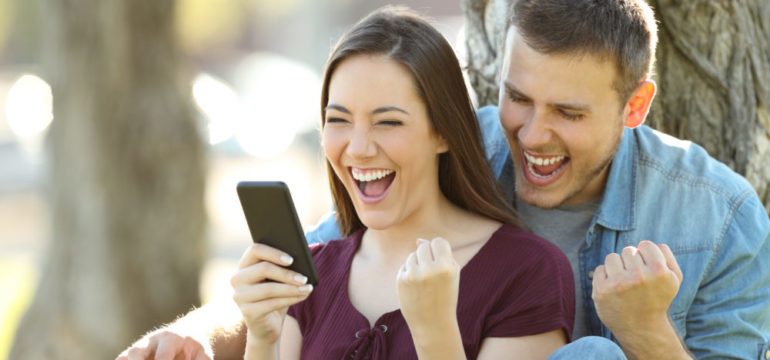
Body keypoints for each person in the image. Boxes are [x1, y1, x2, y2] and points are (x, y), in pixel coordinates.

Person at [118, 0, 770, 359]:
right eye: (519, 98)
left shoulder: (718, 219)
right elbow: (318, 265)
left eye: (568, 113)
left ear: (635, 106)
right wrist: (204, 334)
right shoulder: (452, 146)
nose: (533, 135)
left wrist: (648, 332)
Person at [118, 6, 575, 360]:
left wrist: (436, 332)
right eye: (338, 121)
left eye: (388, 122)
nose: (357, 148)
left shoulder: (526, 273)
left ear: (442, 132)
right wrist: (262, 335)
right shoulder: (310, 275)